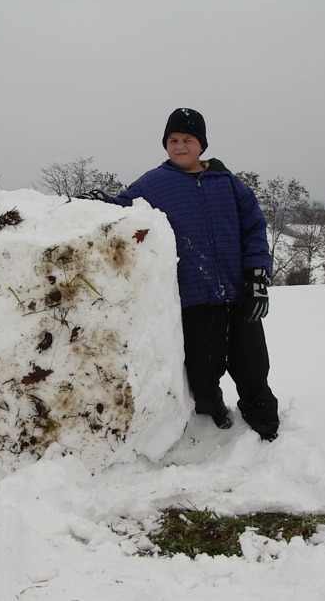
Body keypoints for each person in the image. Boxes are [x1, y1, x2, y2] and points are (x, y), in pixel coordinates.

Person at [77, 108, 280, 441]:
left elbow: (254, 228)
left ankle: (263, 419)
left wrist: (258, 277)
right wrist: (98, 203)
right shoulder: (156, 183)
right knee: (202, 368)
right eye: (173, 140)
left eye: (187, 139)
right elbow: (125, 205)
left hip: (239, 290)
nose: (180, 146)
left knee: (252, 365)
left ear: (201, 145)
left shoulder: (228, 184)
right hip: (195, 293)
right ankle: (211, 413)